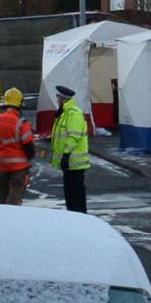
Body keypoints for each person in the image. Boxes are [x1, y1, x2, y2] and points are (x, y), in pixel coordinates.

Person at [50, 82, 92, 214]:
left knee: (76, 192)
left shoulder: (73, 114)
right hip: (70, 162)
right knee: (70, 192)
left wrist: (66, 155)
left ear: (63, 99)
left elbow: (73, 136)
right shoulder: (65, 113)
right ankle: (73, 214)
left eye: (58, 97)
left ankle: (79, 216)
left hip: (74, 162)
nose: (57, 99)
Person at [0, 88, 34, 204]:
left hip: (2, 165)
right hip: (18, 167)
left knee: (1, 194)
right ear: (19, 103)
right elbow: (29, 146)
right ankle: (12, 218)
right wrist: (29, 159)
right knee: (15, 195)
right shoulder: (21, 122)